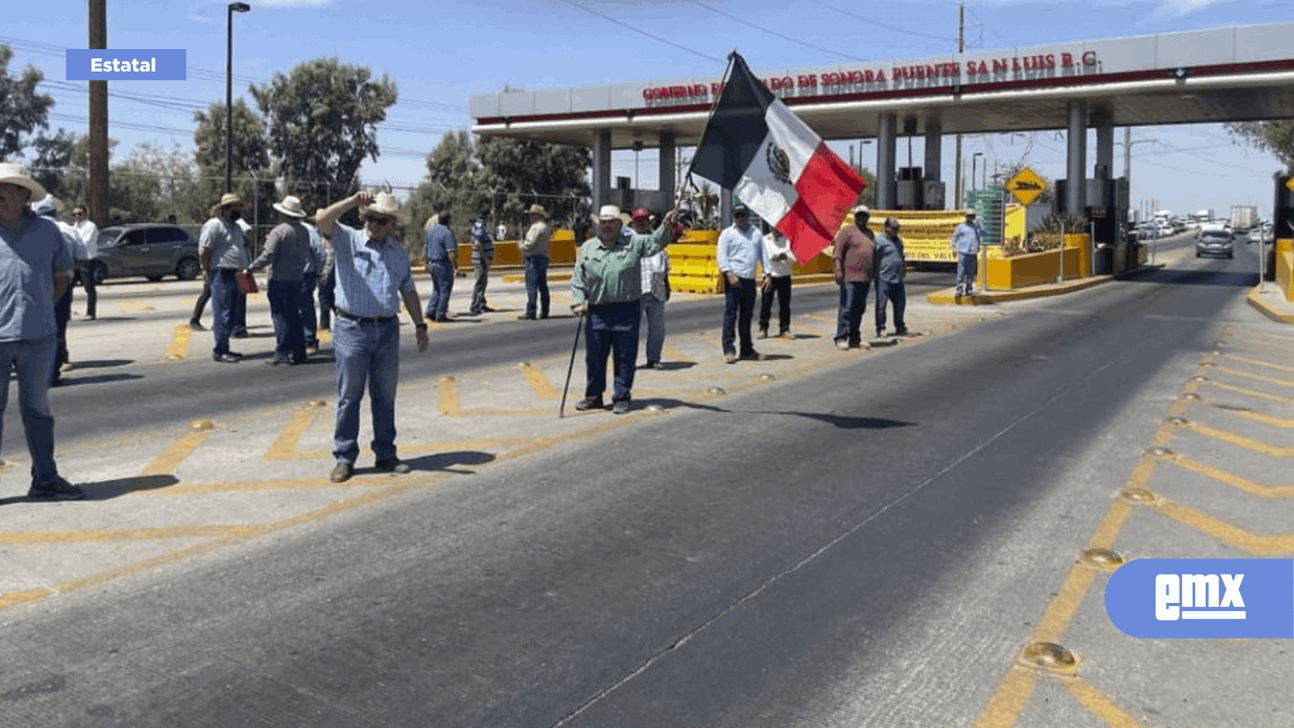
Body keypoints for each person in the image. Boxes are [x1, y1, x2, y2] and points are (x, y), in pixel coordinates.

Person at [315, 191, 429, 484]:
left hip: (388, 329)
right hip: (352, 329)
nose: (374, 224)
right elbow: (322, 219)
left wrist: (420, 325)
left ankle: (385, 453)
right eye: (371, 218)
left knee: (385, 396)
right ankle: (344, 457)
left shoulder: (397, 251)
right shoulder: (347, 239)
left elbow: (408, 290)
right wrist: (352, 202)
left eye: (382, 220)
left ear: (392, 224)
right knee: (349, 396)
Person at [0, 163, 82, 499]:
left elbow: (62, 277)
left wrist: (42, 309)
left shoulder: (48, 231)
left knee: (37, 410)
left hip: (39, 337)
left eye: (4, 191)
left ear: (22, 195)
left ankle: (45, 478)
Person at [571, 205, 678, 415]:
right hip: (597, 310)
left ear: (620, 225)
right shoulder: (588, 248)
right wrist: (577, 301)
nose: (607, 226)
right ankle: (593, 397)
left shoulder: (634, 243)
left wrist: (667, 224)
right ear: (598, 225)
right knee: (594, 357)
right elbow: (578, 278)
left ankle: (621, 397)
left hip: (626, 309)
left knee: (625, 357)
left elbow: (657, 242)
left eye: (612, 222)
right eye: (603, 222)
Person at [244, 195, 312, 365]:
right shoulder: (304, 231)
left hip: (279, 278)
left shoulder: (279, 231)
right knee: (295, 315)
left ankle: (282, 351)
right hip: (297, 277)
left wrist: (251, 268)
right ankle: (299, 351)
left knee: (280, 315)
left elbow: (268, 255)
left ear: (283, 214)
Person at [198, 193, 250, 363]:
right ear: (226, 209)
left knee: (233, 311)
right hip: (221, 272)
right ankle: (220, 350)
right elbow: (204, 250)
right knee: (223, 313)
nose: (239, 210)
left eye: (240, 206)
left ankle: (225, 347)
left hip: (236, 273)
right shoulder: (214, 225)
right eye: (236, 207)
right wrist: (205, 270)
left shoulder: (235, 227)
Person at [32, 196, 78, 386]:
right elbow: (81, 254)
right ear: (54, 212)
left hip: (35, 285)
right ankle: (52, 374)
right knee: (58, 329)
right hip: (63, 283)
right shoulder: (66, 229)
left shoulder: (27, 230)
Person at [717, 204, 770, 363]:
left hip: (749, 279)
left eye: (743, 215)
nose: (740, 218)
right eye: (737, 215)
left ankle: (746, 349)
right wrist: (727, 272)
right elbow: (721, 255)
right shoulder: (727, 234)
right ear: (734, 216)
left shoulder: (756, 233)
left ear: (747, 215)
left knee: (746, 316)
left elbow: (764, 254)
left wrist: (767, 273)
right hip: (734, 279)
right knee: (731, 315)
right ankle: (728, 349)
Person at [833, 205, 877, 351]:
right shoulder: (846, 232)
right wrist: (838, 271)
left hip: (865, 279)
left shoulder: (870, 234)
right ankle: (841, 337)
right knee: (847, 308)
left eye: (864, 216)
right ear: (855, 217)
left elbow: (873, 255)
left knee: (859, 309)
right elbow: (838, 253)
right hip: (849, 278)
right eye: (859, 216)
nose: (861, 219)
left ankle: (854, 338)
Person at [633, 208, 672, 369]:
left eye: (644, 220)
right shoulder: (628, 241)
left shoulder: (656, 240)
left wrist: (667, 286)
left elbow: (664, 266)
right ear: (633, 222)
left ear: (649, 221)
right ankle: (628, 361)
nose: (641, 222)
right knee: (630, 330)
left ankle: (654, 358)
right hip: (635, 292)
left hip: (656, 291)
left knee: (657, 329)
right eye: (638, 220)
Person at [874, 216, 909, 337]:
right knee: (881, 305)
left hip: (897, 278)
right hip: (883, 278)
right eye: (894, 228)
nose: (896, 231)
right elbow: (873, 257)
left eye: (897, 229)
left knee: (900, 304)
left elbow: (901, 255)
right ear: (886, 228)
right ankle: (880, 328)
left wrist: (903, 267)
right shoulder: (879, 241)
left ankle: (900, 327)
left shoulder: (898, 241)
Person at [518, 203, 553, 320]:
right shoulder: (546, 227)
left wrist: (522, 245)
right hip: (543, 257)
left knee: (531, 286)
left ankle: (531, 311)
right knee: (543, 286)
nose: (530, 217)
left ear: (537, 215)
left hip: (533, 258)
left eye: (532, 215)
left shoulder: (536, 227)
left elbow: (530, 243)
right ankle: (545, 310)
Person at [758, 226, 794, 339]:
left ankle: (785, 328)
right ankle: (763, 328)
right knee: (766, 303)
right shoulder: (764, 240)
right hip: (769, 276)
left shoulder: (787, 239)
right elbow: (761, 257)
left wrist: (785, 257)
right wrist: (772, 258)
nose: (776, 228)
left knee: (785, 304)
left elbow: (793, 257)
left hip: (785, 274)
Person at [422, 210, 457, 323]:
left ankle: (430, 311)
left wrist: (425, 263)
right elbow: (451, 252)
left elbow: (425, 248)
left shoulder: (431, 230)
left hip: (432, 263)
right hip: (442, 264)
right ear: (448, 220)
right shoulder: (447, 232)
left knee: (436, 288)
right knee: (445, 289)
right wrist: (454, 266)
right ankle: (440, 314)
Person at [300, 213, 326, 355]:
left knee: (305, 308)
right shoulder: (287, 229)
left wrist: (317, 271)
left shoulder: (308, 230)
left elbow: (319, 253)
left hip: (306, 274)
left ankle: (309, 340)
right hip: (291, 275)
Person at [70, 204, 98, 320]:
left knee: (89, 287)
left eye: (80, 214)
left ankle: (91, 313)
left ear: (85, 214)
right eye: (75, 214)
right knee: (68, 287)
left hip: (87, 260)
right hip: (75, 260)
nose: (77, 216)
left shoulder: (90, 226)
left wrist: (72, 245)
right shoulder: (74, 227)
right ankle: (65, 313)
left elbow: (84, 242)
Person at [951, 210, 985, 297]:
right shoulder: (961, 227)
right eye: (968, 216)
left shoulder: (976, 227)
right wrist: (954, 248)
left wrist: (981, 224)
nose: (970, 218)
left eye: (972, 216)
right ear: (966, 217)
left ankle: (968, 289)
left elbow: (982, 235)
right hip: (963, 251)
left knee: (970, 272)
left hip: (972, 252)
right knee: (961, 271)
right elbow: (954, 237)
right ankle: (959, 289)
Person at [469, 208, 495, 314]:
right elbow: (477, 242)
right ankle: (475, 305)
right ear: (487, 214)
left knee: (483, 282)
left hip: (482, 258)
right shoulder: (480, 225)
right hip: (480, 259)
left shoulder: (483, 224)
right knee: (480, 282)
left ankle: (481, 303)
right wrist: (484, 257)